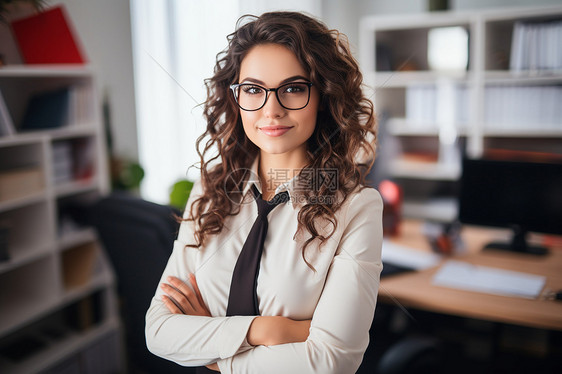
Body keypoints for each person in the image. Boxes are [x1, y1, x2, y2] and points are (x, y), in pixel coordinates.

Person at [145, 11, 383, 374]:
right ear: (236, 97)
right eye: (253, 89)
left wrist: (213, 357)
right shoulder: (209, 190)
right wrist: (265, 330)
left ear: (323, 95)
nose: (271, 111)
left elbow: (331, 362)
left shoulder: (356, 207)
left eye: (293, 88)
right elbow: (159, 331)